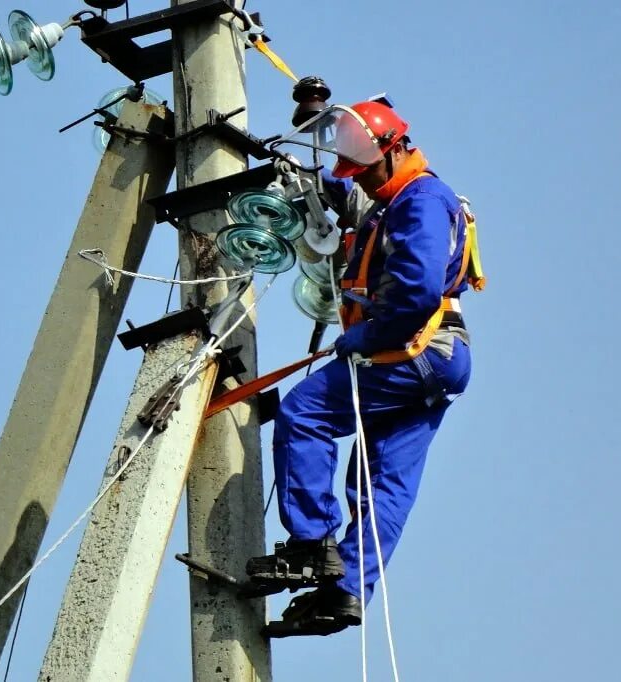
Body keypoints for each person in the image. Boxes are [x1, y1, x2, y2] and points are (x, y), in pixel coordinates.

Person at [247, 99, 479, 637]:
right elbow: (350, 196)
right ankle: (345, 591)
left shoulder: (421, 199)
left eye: (369, 171)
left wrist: (366, 338)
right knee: (383, 484)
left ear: (397, 148)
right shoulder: (392, 197)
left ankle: (312, 545)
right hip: (443, 359)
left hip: (412, 346)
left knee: (305, 414)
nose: (365, 183)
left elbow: (418, 287)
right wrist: (315, 139)